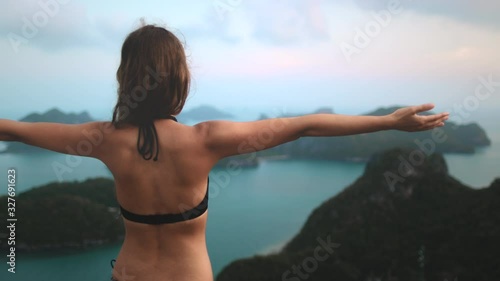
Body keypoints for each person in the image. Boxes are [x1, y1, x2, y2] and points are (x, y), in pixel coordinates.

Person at [0, 24, 449, 281]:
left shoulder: (103, 138)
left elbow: (16, 132)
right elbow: (306, 125)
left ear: (126, 77)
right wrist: (390, 122)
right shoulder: (206, 138)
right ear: (179, 78)